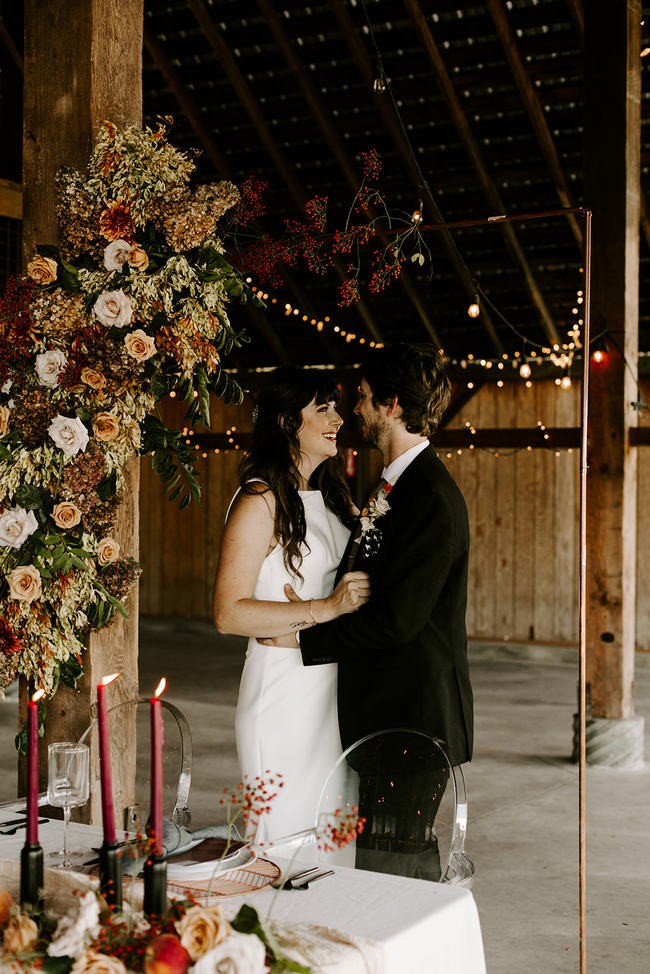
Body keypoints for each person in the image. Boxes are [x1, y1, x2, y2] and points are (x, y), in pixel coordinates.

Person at [289, 344, 473, 877]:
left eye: (364, 399)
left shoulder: (429, 497)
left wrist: (304, 638)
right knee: (377, 861)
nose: (355, 412)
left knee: (396, 870)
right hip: (390, 712)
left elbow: (399, 620)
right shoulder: (397, 484)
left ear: (392, 404)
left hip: (413, 717)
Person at [212, 366, 370, 842]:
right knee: (286, 849)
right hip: (284, 697)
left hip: (335, 693)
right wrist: (324, 609)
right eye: (322, 408)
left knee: (334, 847)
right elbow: (228, 613)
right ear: (285, 423)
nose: (338, 418)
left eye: (336, 406)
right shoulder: (259, 501)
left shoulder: (332, 496)